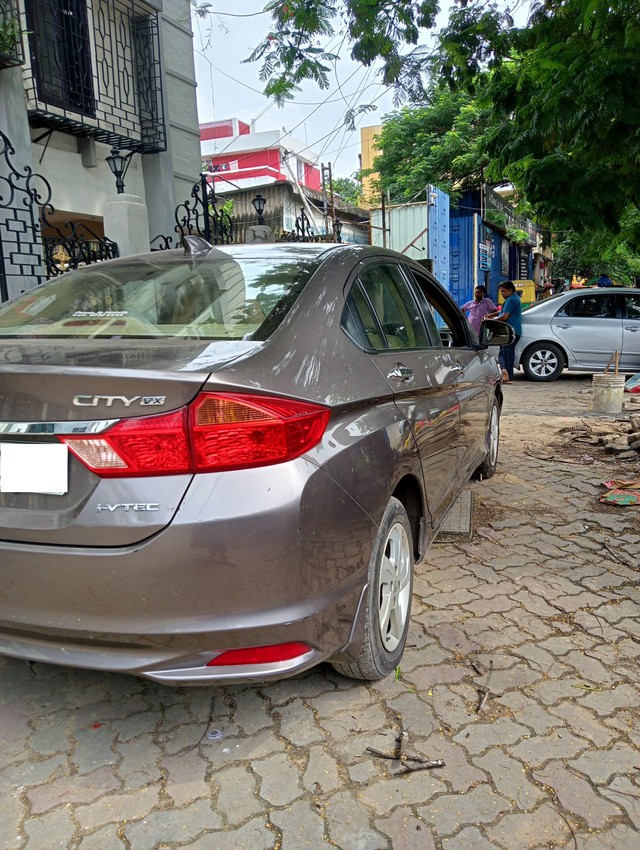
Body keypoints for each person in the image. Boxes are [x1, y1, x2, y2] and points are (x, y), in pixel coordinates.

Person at [485, 280, 522, 382]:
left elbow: (505, 316)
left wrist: (492, 319)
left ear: (510, 290)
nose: (502, 294)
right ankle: (506, 372)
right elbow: (503, 311)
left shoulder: (511, 300)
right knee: (504, 353)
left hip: (509, 330)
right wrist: (493, 315)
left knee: (505, 354)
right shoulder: (514, 298)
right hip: (511, 330)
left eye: (503, 291)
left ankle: (507, 374)